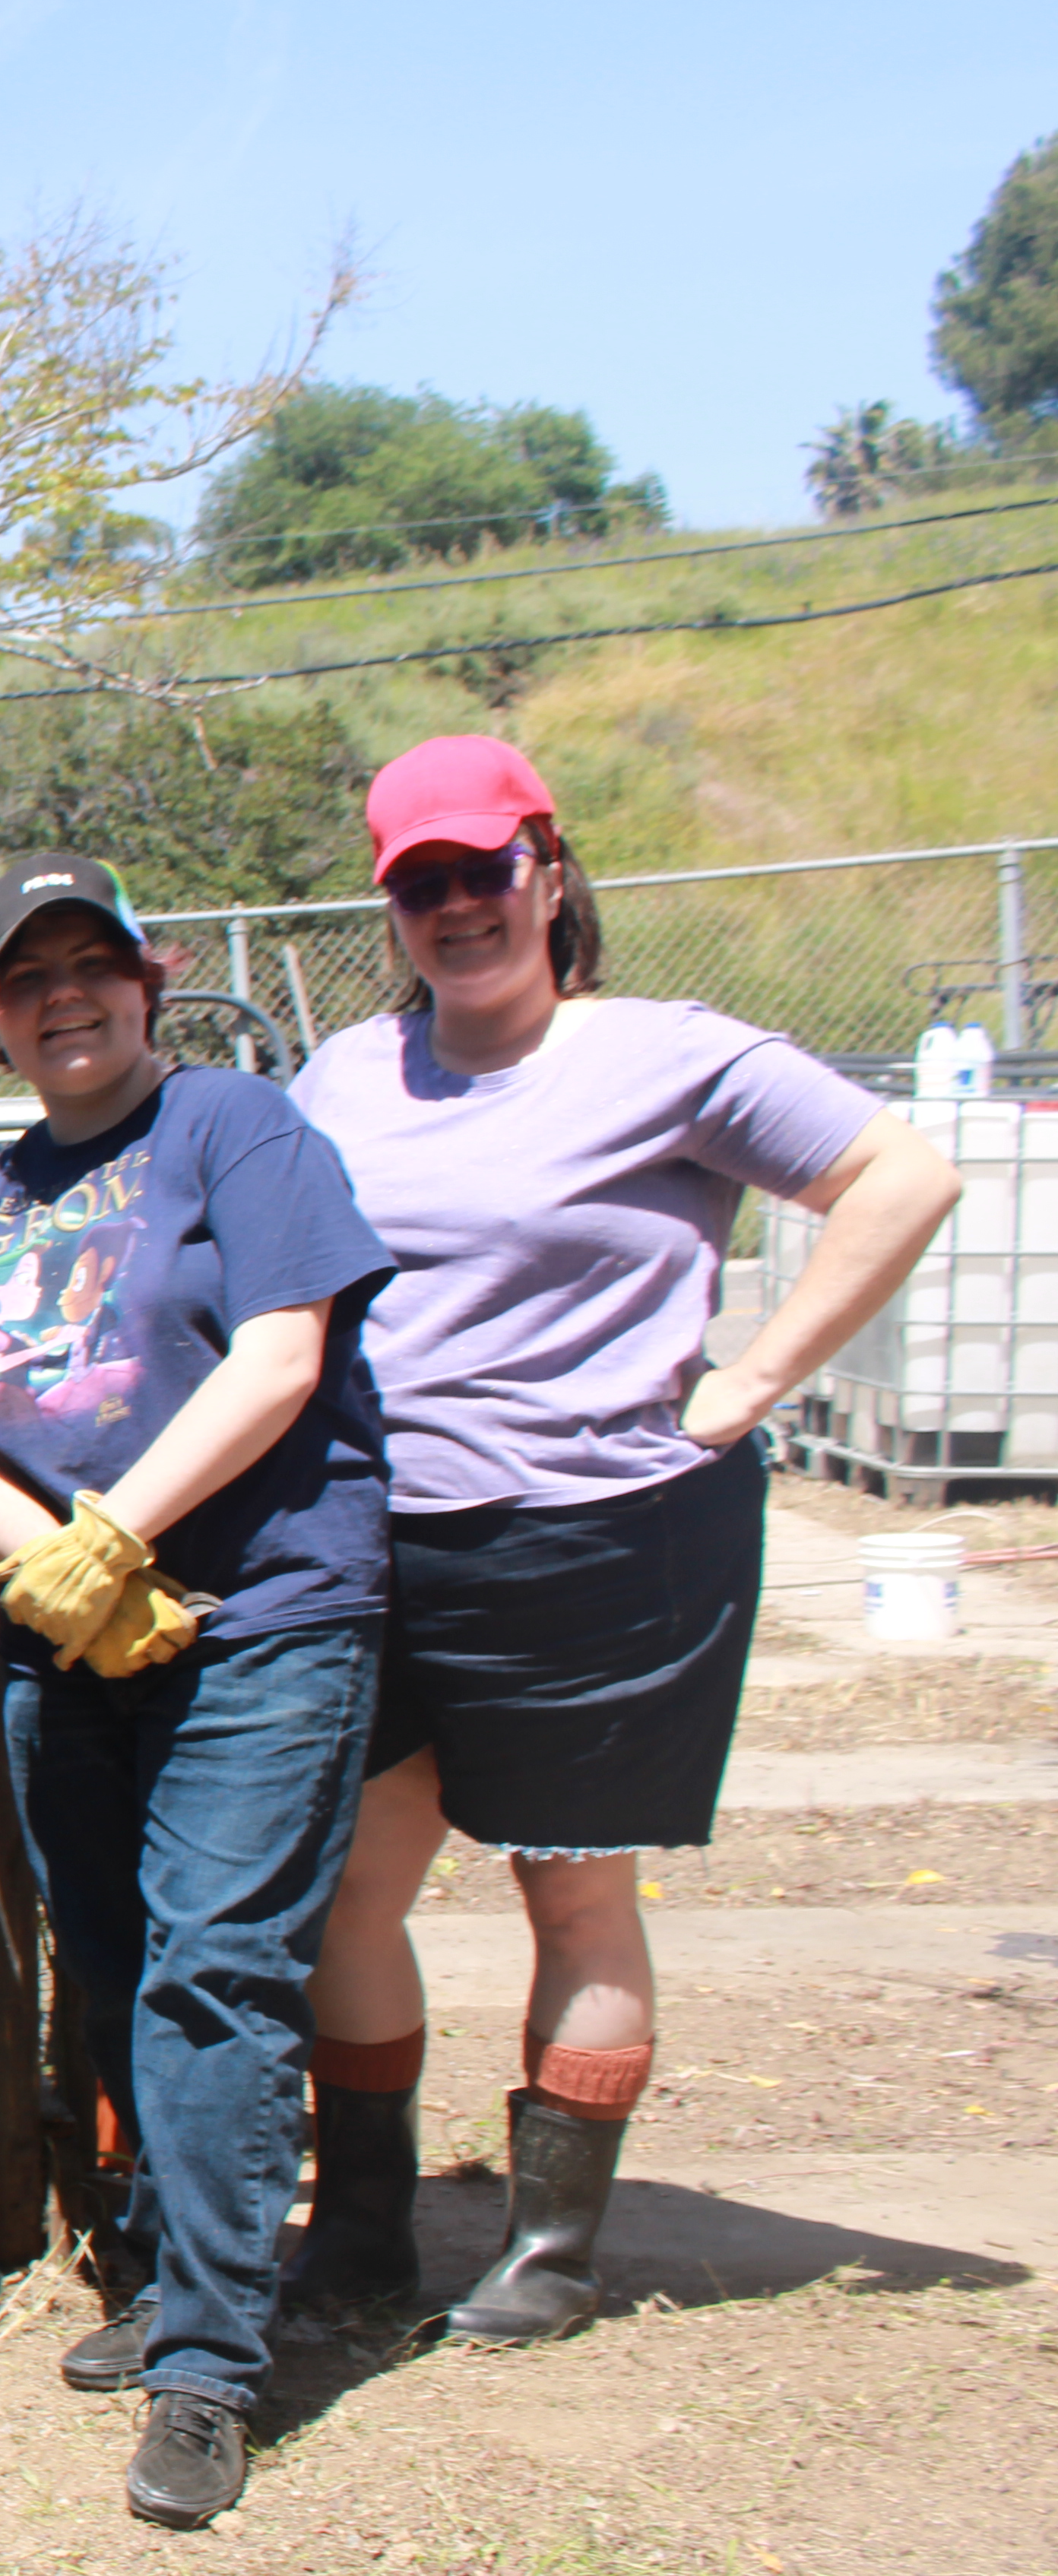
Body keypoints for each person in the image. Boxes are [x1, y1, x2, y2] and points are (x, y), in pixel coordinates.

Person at [289, 737, 958, 2343]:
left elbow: (901, 1170)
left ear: (551, 871)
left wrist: (750, 1377)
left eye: (483, 871)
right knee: (348, 1894)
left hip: (597, 1538)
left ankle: (552, 2248)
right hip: (379, 1540)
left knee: (573, 1893)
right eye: (420, 884)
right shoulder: (346, 1077)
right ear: (392, 909)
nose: (458, 906)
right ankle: (365, 2231)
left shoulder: (666, 1054)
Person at [0, 853, 394, 2532]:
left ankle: (209, 2361)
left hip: (257, 1620)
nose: (65, 993)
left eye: (94, 962)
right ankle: (172, 2268)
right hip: (73, 1641)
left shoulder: (237, 1131)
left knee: (217, 1968)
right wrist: (50, 1565)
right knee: (114, 1959)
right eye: (27, 971)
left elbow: (284, 1354)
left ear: (154, 975)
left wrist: (121, 1528)